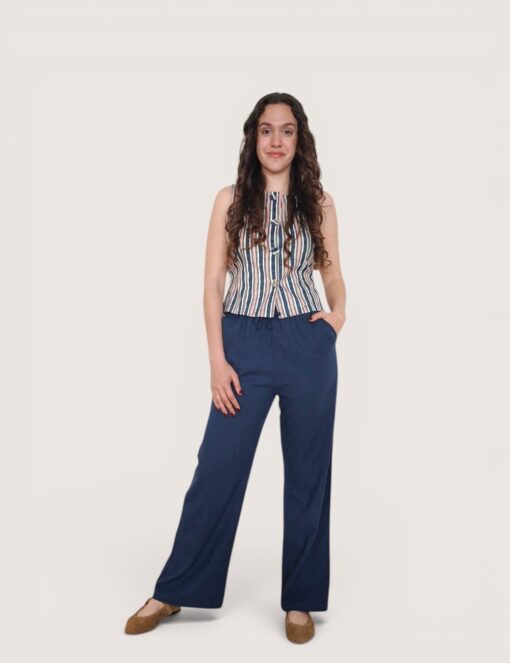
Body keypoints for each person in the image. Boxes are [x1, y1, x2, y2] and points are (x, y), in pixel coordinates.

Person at [124, 92, 346, 644]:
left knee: (309, 474)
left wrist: (336, 317)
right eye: (267, 130)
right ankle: (173, 589)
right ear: (253, 138)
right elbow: (212, 284)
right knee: (217, 469)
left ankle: (300, 600)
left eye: (287, 131)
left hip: (306, 341)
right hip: (242, 342)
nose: (276, 141)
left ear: (300, 140)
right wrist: (218, 360)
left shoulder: (319, 203)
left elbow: (333, 273)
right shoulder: (229, 199)